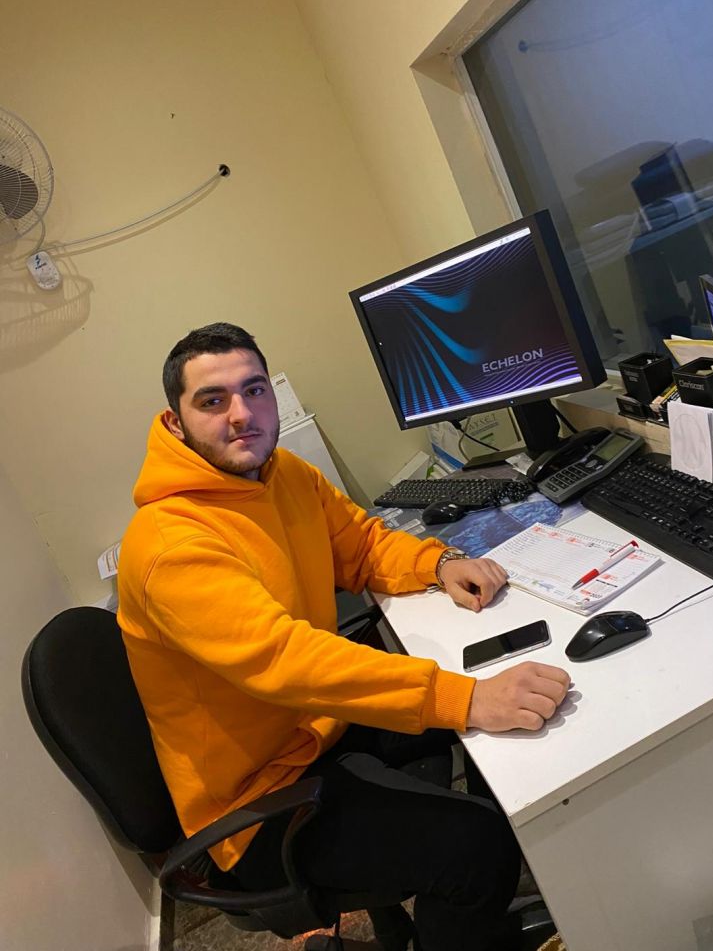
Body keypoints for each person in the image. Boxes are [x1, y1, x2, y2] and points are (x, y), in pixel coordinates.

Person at [117, 322, 570, 951]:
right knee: (476, 845)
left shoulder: (281, 474)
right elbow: (287, 660)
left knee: (490, 741)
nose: (242, 414)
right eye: (213, 400)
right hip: (257, 804)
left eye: (254, 390)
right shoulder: (170, 545)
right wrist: (466, 698)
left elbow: (359, 544)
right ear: (175, 422)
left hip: (313, 729)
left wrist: (438, 563)